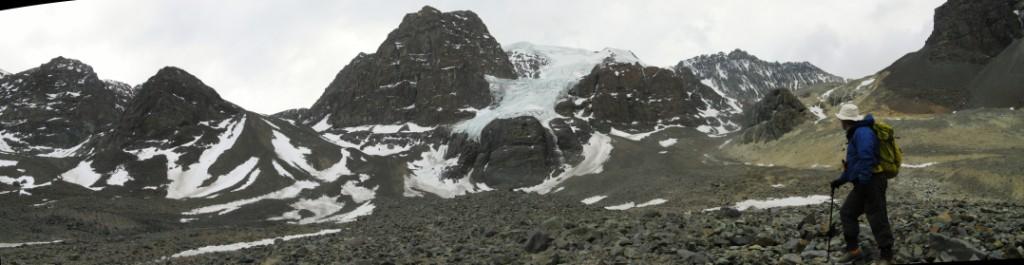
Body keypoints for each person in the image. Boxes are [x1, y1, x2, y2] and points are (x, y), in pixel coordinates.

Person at [830, 103, 895, 264]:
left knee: (877, 216)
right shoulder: (857, 132)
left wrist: (864, 180)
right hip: (865, 181)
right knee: (847, 212)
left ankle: (886, 256)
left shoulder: (862, 132)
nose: (840, 122)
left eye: (841, 119)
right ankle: (854, 250)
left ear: (845, 120)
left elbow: (866, 157)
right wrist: (841, 180)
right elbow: (854, 164)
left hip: (872, 180)